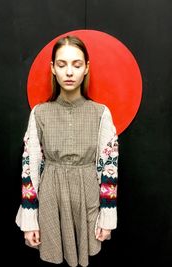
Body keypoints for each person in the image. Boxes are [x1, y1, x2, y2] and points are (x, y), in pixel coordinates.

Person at [15, 35, 119, 267]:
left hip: (88, 198)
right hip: (51, 198)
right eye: (62, 65)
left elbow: (109, 167)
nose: (69, 72)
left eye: (77, 64)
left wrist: (108, 215)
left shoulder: (101, 113)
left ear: (86, 68)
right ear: (53, 69)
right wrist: (30, 219)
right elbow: (29, 168)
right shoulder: (40, 113)